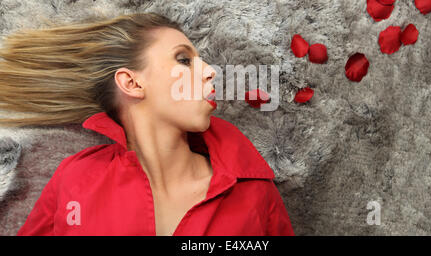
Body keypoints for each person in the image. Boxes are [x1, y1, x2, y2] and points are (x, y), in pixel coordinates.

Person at [0, 12, 294, 235]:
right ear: (132, 82)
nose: (210, 72)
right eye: (184, 60)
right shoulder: (74, 178)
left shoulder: (254, 193)